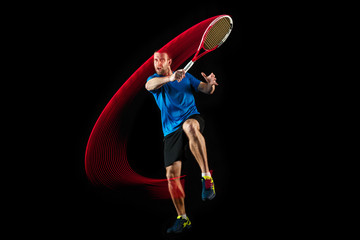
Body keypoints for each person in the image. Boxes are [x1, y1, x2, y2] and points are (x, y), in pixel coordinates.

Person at [145, 51, 218, 234]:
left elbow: (205, 89)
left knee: (190, 127)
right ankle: (183, 219)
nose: (157, 63)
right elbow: (148, 86)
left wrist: (210, 85)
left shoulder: (186, 77)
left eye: (161, 59)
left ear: (169, 61)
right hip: (170, 131)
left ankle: (206, 178)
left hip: (190, 117)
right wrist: (170, 78)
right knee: (171, 177)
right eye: (155, 60)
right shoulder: (156, 79)